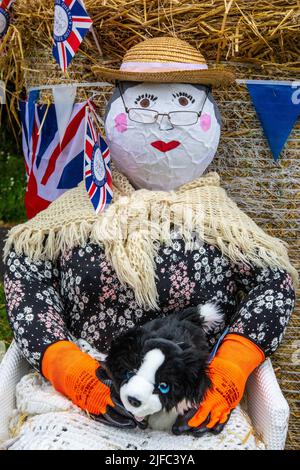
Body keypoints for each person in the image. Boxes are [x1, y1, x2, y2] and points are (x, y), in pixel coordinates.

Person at [4, 37, 297, 435]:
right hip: (83, 393)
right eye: (143, 104)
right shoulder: (79, 208)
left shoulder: (222, 219)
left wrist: (231, 367)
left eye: (181, 103)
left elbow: (274, 282)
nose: (163, 122)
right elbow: (25, 268)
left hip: (188, 397)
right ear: (112, 113)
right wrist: (66, 364)